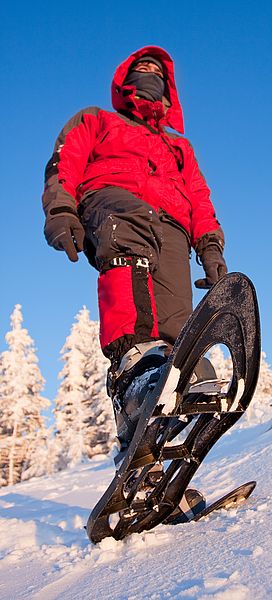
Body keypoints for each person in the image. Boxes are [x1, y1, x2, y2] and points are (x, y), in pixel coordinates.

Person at [42, 46, 227, 416]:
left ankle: (167, 410)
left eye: (158, 72)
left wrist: (210, 247)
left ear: (168, 88)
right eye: (142, 68)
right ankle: (135, 372)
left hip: (172, 223)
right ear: (125, 81)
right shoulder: (97, 120)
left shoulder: (178, 147)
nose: (150, 75)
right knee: (130, 252)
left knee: (175, 312)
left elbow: (199, 196)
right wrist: (61, 209)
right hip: (112, 201)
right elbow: (66, 160)